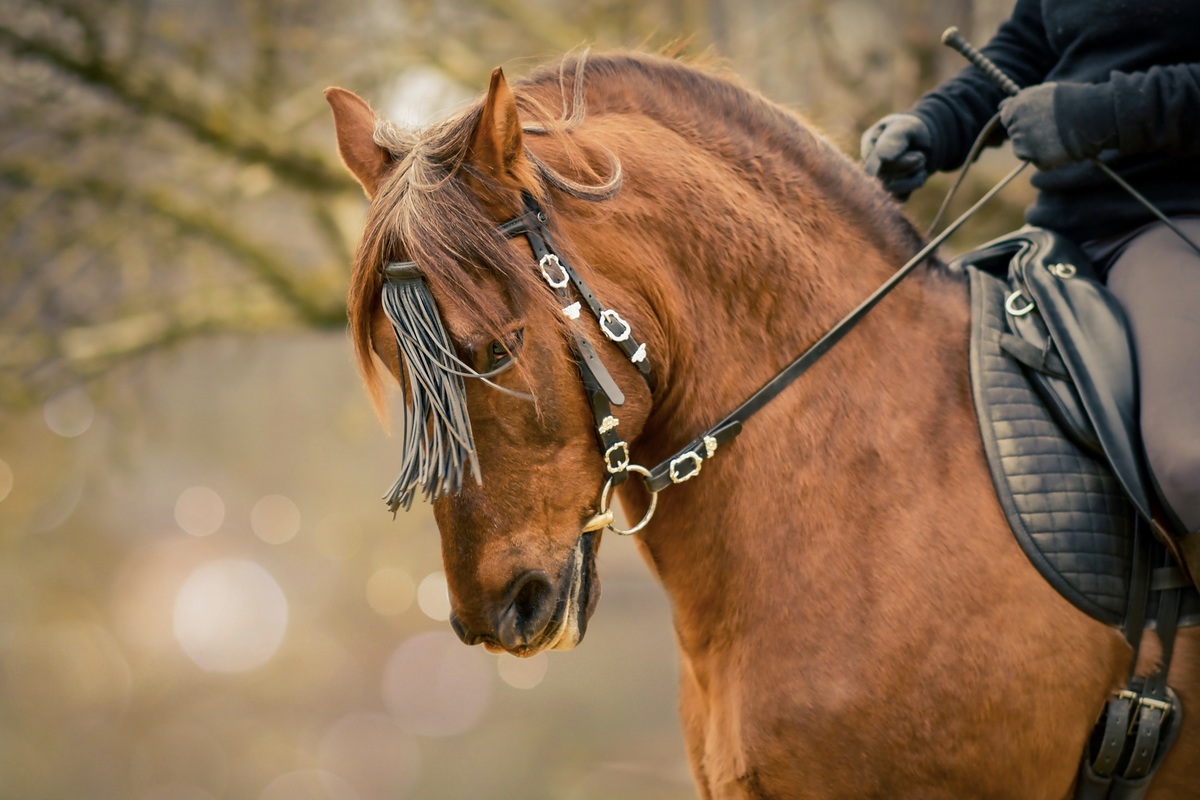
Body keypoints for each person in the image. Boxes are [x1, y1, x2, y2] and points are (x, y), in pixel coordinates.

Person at [860, 0, 1200, 575]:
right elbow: (1025, 48)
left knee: (1187, 462)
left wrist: (1093, 118)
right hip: (1056, 235)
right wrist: (931, 125)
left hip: (1170, 221)